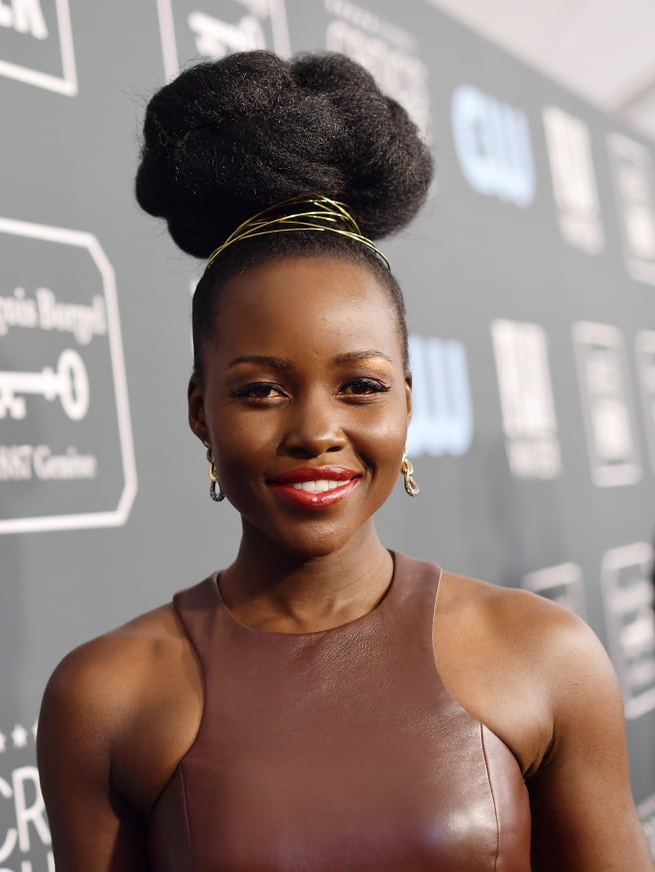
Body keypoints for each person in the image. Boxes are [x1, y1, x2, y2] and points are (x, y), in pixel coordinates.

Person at [36, 50, 653, 871]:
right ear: (199, 410)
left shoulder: (543, 655)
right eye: (260, 391)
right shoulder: (108, 696)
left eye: (360, 385)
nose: (316, 430)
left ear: (407, 399)